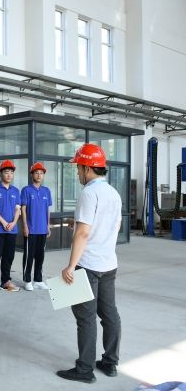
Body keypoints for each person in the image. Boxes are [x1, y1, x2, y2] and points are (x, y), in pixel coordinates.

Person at [56, 144, 122, 384]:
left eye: (78, 168)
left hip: (88, 265)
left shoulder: (89, 193)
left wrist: (70, 266)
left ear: (87, 168)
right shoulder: (113, 193)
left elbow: (83, 233)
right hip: (109, 263)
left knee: (86, 317)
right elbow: (116, 227)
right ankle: (110, 362)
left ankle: (84, 369)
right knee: (109, 314)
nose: (77, 173)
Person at [0, 160, 21, 293]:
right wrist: (3, 222)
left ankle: (5, 281)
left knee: (9, 256)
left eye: (11, 172)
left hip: (12, 229)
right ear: (0, 173)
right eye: (6, 172)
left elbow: (18, 209)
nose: (9, 175)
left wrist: (13, 223)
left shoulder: (15, 191)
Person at [20, 162, 52, 291]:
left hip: (42, 229)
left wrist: (48, 226)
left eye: (41, 173)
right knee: (29, 256)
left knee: (40, 256)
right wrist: (25, 226)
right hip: (31, 229)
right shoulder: (26, 190)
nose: (39, 175)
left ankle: (38, 280)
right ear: (32, 174)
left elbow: (47, 210)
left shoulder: (46, 191)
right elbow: (23, 209)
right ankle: (27, 280)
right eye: (36, 173)